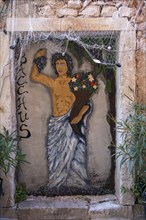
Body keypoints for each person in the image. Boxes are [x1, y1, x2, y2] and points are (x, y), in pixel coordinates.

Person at [31, 49, 92, 188]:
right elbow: (34, 76)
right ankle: (56, 184)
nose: (60, 66)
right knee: (56, 155)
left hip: (71, 123)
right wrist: (38, 58)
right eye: (57, 63)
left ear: (68, 66)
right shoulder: (53, 83)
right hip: (57, 124)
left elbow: (87, 104)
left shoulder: (75, 82)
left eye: (63, 63)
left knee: (75, 154)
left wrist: (79, 116)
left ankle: (77, 184)